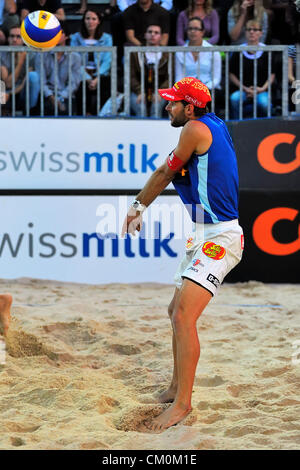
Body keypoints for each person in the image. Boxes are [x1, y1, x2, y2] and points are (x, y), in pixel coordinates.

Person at [122, 76, 244, 431]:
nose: (167, 107)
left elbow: (164, 172)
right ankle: (176, 387)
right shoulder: (212, 122)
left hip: (220, 236)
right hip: (203, 233)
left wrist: (136, 207)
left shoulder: (193, 129)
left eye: (174, 102)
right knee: (174, 310)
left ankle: (183, 404)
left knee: (183, 318)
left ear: (190, 108)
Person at [229, 19, 275, 119]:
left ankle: (267, 128)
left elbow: (272, 74)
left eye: (255, 30)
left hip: (262, 90)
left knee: (265, 104)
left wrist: (262, 89)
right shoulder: (239, 50)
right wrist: (244, 88)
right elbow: (231, 74)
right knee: (234, 99)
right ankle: (238, 126)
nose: (251, 32)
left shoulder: (267, 50)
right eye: (249, 29)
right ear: (245, 32)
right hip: (243, 90)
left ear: (261, 33)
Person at [70, 8, 112, 115]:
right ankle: (83, 115)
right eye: (87, 18)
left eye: (94, 19)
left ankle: (98, 115)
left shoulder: (107, 38)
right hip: (81, 73)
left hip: (100, 74)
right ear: (84, 20)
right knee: (80, 85)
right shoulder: (75, 38)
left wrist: (97, 78)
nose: (90, 21)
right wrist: (88, 79)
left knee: (106, 84)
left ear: (99, 21)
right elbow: (75, 60)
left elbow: (107, 60)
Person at [34, 22, 81, 115]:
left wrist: (61, 98)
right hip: (47, 96)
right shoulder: (41, 55)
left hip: (67, 96)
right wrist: (51, 97)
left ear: (67, 36)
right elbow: (41, 81)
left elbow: (74, 83)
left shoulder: (75, 56)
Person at [130, 24, 172, 117]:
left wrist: (160, 92)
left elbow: (170, 77)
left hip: (161, 91)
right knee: (140, 109)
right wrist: (139, 91)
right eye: (150, 32)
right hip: (137, 90)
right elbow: (131, 76)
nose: (153, 34)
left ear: (161, 37)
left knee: (156, 108)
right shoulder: (135, 53)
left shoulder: (168, 54)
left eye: (156, 33)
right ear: (145, 35)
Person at [0, 24, 40, 115]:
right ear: (8, 38)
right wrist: (20, 63)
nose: (14, 39)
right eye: (12, 36)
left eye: (18, 37)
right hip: (5, 93)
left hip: (23, 92)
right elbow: (8, 84)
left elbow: (25, 83)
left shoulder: (31, 56)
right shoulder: (2, 54)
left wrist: (10, 93)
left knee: (33, 77)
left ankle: (31, 112)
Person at [175, 17, 221, 89]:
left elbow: (216, 79)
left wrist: (203, 88)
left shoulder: (213, 51)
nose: (192, 31)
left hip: (209, 89)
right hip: (187, 90)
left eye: (196, 29)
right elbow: (178, 78)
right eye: (190, 29)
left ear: (202, 32)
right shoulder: (180, 52)